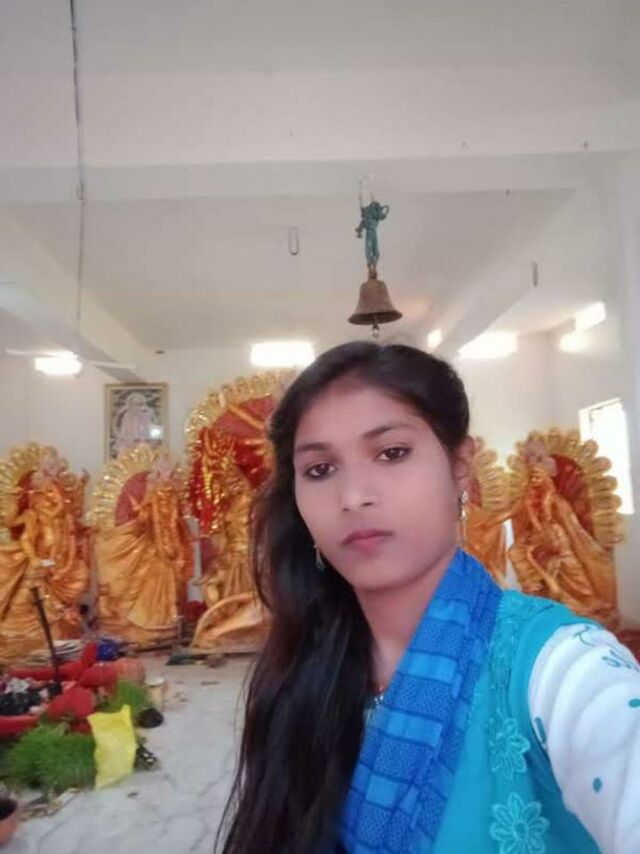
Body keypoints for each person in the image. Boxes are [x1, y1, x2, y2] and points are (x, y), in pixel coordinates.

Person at [217, 341, 639, 854]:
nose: (353, 496)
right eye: (320, 470)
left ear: (460, 467)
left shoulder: (561, 668)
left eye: (392, 453)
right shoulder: (301, 669)